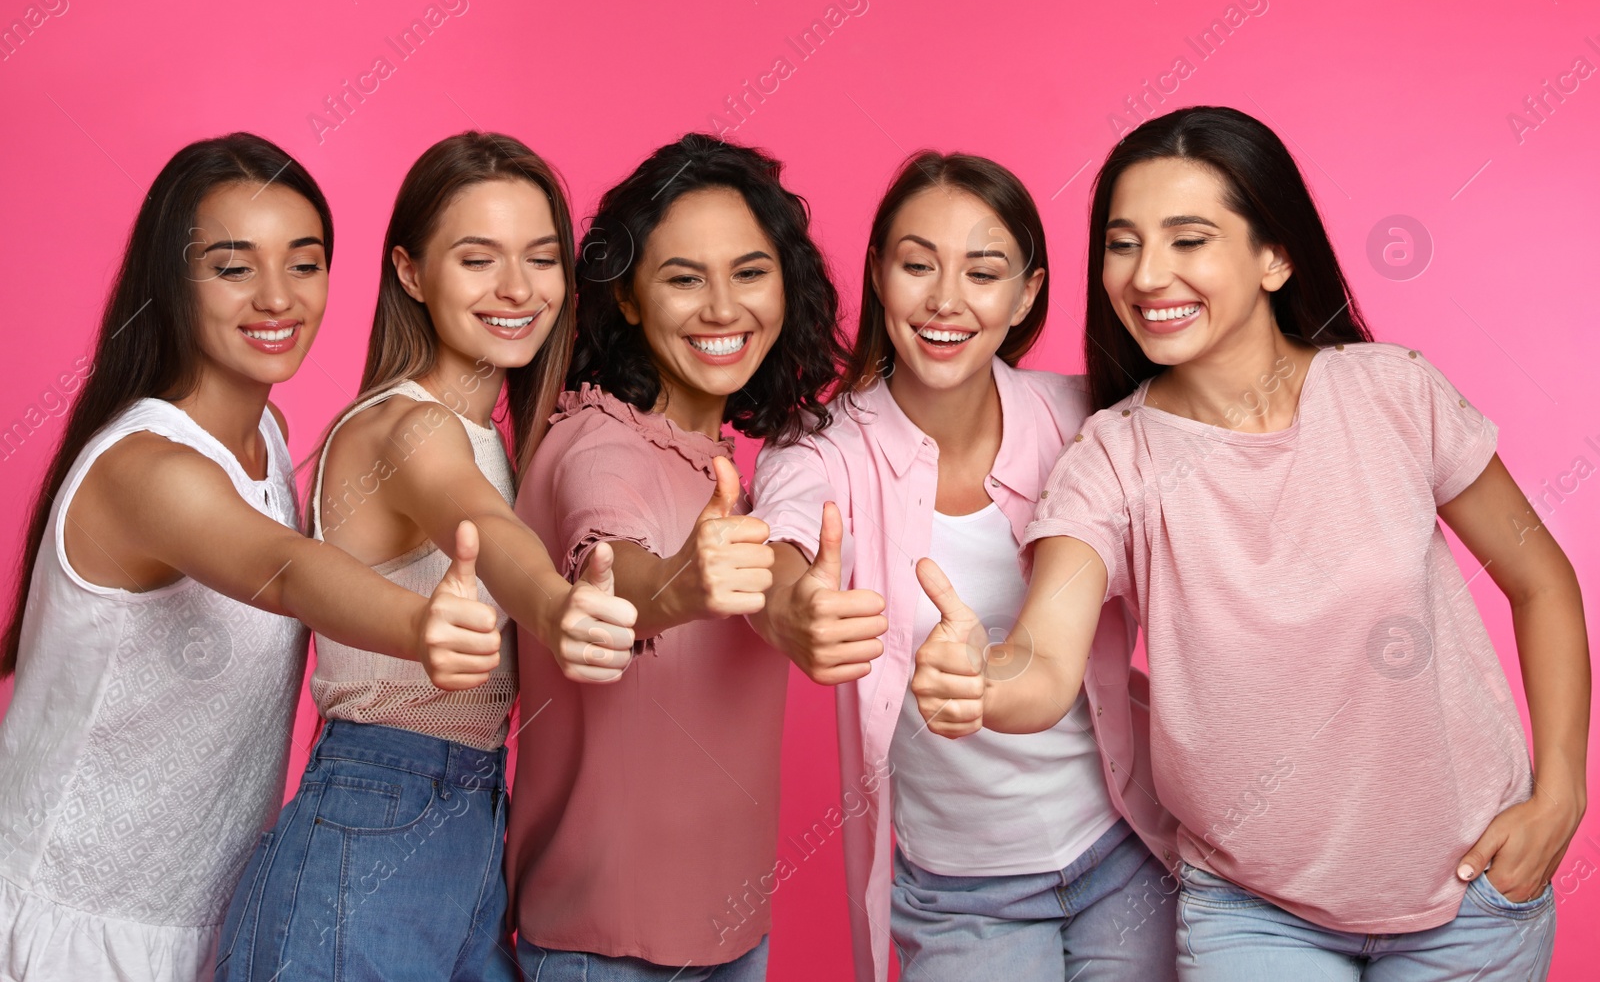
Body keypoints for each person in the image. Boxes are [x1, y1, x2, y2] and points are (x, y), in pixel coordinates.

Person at [912, 106, 1588, 981]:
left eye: (1188, 240)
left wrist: (1562, 787)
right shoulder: (1112, 456)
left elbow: (1542, 579)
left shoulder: (1394, 394)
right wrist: (980, 679)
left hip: (1471, 898)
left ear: (1275, 256)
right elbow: (1043, 661)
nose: (1147, 275)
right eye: (1122, 244)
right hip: (1256, 913)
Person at [0, 133, 499, 982]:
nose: (277, 296)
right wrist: (420, 621)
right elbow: (286, 569)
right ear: (173, 281)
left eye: (304, 264)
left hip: (199, 926)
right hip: (67, 930)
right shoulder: (150, 469)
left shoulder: (266, 439)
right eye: (234, 267)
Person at [215, 132, 636, 982]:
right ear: (410, 272)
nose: (518, 289)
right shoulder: (407, 429)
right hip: (376, 813)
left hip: (468, 821)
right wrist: (557, 607)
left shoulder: (496, 441)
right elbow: (476, 520)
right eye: (478, 259)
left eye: (541, 258)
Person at [751, 151, 1179, 982]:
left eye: (982, 272)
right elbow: (783, 543)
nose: (945, 300)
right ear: (878, 273)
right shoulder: (822, 446)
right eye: (918, 264)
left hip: (1123, 851)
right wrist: (793, 606)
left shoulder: (1085, 419)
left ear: (1025, 294)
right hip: (961, 896)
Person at [508, 134, 845, 981]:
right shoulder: (598, 442)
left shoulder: (721, 462)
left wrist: (800, 610)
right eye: (684, 278)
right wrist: (674, 587)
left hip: (729, 938)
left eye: (750, 271)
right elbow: (611, 561)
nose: (723, 307)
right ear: (625, 297)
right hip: (606, 951)